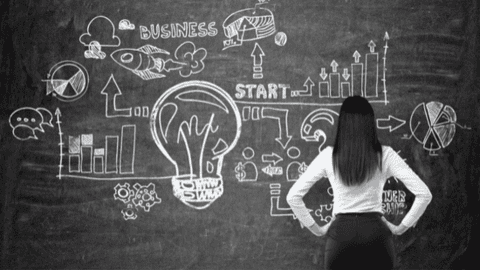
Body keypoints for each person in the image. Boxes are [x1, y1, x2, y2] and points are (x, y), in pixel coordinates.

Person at [286, 96, 433, 269]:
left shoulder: (328, 156)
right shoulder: (386, 155)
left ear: (343, 124)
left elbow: (293, 196)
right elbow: (424, 194)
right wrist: (401, 227)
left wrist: (317, 229)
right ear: (370, 123)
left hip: (340, 236)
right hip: (376, 234)